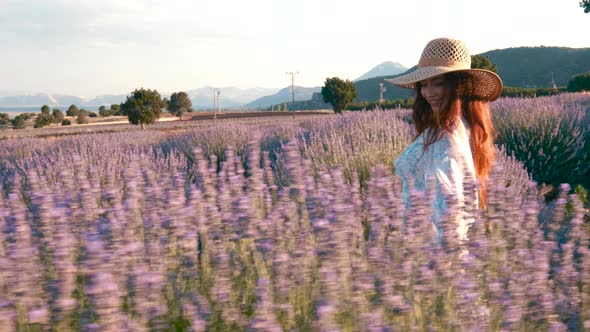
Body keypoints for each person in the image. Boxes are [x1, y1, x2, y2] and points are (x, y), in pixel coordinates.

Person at [385, 37, 503, 242]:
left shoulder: (449, 137)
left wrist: (439, 265)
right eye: (423, 85)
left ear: (457, 87)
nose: (428, 93)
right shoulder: (448, 128)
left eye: (438, 83)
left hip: (432, 255)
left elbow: (453, 210)